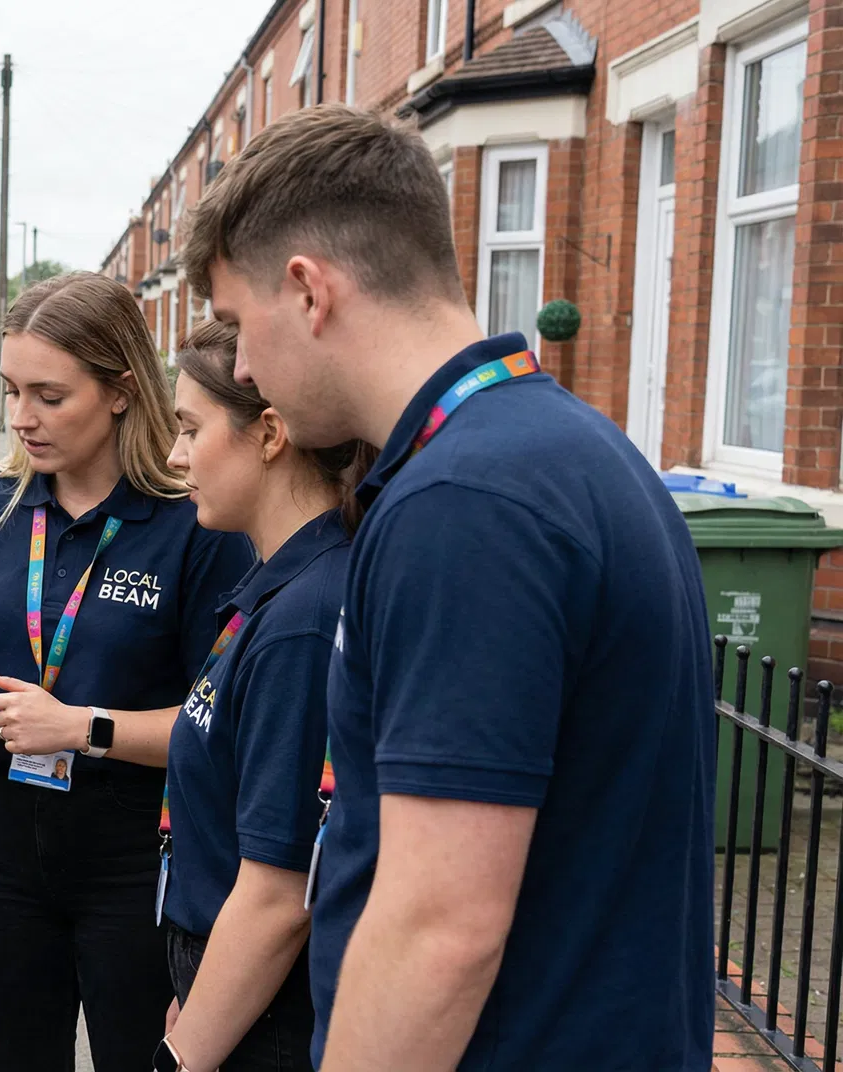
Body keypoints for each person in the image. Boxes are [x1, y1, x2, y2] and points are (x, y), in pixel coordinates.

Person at [183, 104, 714, 1071]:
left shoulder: (463, 505)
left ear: (308, 290)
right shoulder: (572, 448)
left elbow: (439, 930)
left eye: (237, 324)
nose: (245, 367)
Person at [0, 271, 254, 1071]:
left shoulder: (198, 519)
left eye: (50, 396)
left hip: (137, 854)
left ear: (121, 391)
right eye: (12, 391)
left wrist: (83, 728)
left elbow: (221, 727)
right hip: (1, 843)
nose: (22, 418)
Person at [152, 321, 374, 1072]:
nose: (175, 455)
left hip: (271, 1016)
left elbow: (280, 898)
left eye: (191, 429)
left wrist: (184, 1054)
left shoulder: (304, 621)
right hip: (234, 992)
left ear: (271, 434)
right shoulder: (280, 582)